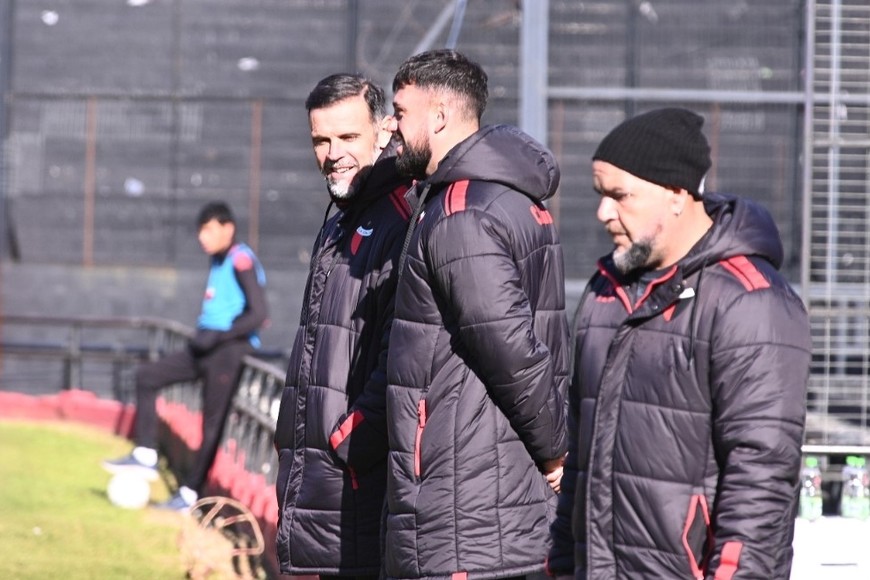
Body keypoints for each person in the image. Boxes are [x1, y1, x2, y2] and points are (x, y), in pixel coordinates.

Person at [547, 108, 812, 579]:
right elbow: (580, 463)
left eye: (620, 195)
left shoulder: (750, 301)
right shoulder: (605, 293)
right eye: (600, 194)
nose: (603, 212)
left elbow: (762, 478)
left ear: (676, 194)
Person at [383, 49, 569, 579]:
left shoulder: (460, 213)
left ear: (439, 116)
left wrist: (556, 450)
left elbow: (510, 349)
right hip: (494, 492)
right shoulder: (504, 198)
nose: (392, 128)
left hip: (468, 507)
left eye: (401, 112)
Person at [273, 73, 412, 578]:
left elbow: (406, 350)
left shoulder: (403, 217)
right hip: (318, 481)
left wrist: (350, 441)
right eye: (321, 140)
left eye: (348, 136)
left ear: (385, 129)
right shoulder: (340, 218)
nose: (333, 154)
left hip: (359, 484)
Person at [104, 201, 267, 512]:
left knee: (212, 425)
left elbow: (258, 314)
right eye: (200, 231)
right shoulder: (219, 259)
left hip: (226, 351)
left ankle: (190, 495)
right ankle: (146, 454)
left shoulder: (241, 259)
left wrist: (220, 336)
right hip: (204, 346)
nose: (202, 237)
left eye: (208, 230)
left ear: (227, 229)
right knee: (147, 376)